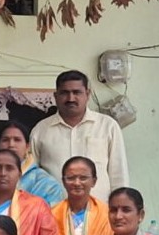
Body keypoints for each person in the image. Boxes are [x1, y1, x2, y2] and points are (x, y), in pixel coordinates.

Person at [30, 70, 128, 202]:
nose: (71, 98)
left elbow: (119, 175)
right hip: (53, 211)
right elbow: (31, 176)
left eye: (77, 92)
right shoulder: (41, 130)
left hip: (99, 211)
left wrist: (120, 208)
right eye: (64, 93)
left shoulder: (107, 126)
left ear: (87, 94)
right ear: (55, 96)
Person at [0, 121, 65, 206]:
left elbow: (52, 218)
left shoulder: (44, 182)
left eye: (17, 140)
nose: (11, 145)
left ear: (27, 147)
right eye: (5, 140)